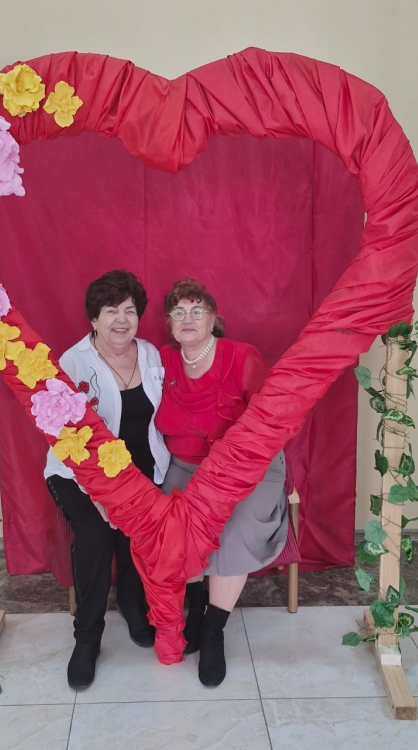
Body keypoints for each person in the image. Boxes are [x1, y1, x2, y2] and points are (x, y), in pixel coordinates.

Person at [156, 278, 288, 687]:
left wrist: (237, 469)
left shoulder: (242, 356)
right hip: (187, 465)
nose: (188, 318)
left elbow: (270, 423)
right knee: (174, 523)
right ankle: (196, 610)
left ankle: (214, 630)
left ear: (213, 319)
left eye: (197, 310)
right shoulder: (162, 360)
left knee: (234, 525)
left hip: (248, 464)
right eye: (179, 312)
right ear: (169, 323)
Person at [45, 270, 170, 690]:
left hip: (142, 470)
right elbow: (65, 437)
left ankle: (133, 607)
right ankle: (87, 637)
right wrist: (99, 493)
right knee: (97, 535)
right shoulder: (72, 362)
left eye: (130, 310)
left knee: (141, 529)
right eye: (111, 310)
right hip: (78, 473)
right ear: (94, 319)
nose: (121, 319)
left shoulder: (151, 355)